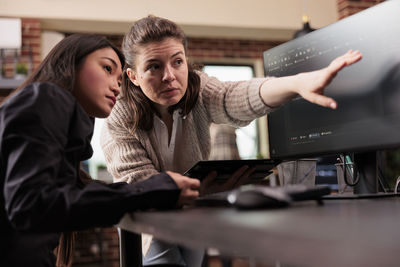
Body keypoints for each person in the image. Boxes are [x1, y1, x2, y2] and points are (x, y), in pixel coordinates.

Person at [100, 16, 362, 267]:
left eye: (177, 62)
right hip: (146, 218)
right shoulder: (118, 114)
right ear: (133, 76)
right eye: (154, 66)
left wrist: (296, 84)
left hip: (191, 212)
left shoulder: (198, 88)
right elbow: (141, 187)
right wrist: (198, 192)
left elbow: (233, 97)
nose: (169, 75)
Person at [0, 33, 200, 267]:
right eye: (107, 68)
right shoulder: (48, 97)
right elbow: (31, 205)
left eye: (119, 79)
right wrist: (149, 190)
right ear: (70, 63)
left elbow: (67, 198)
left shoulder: (58, 120)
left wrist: (157, 190)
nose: (117, 86)